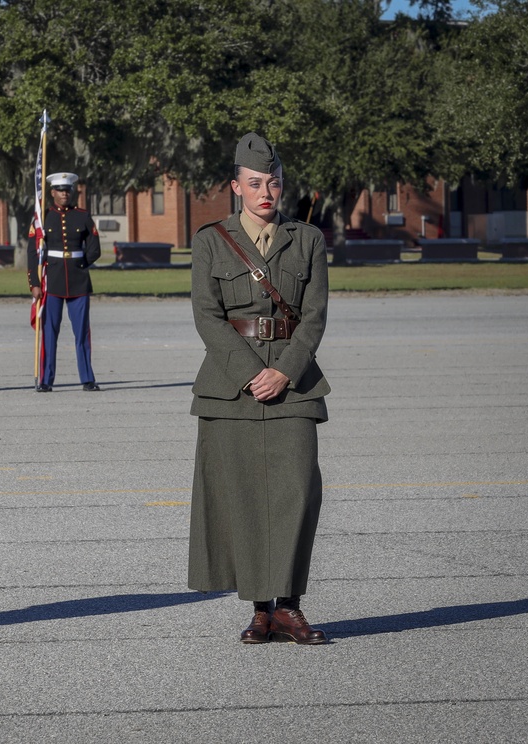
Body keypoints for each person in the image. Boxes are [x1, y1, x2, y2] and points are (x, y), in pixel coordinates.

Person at [188, 132, 330, 645]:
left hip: (294, 385)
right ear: (236, 187)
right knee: (244, 498)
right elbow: (207, 316)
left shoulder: (308, 239)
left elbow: (313, 319)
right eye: (255, 183)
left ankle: (290, 606)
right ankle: (260, 609)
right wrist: (251, 371)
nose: (266, 191)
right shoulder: (210, 241)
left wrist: (284, 372)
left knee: (296, 492)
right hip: (232, 386)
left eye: (273, 181)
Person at [27, 172, 102, 392]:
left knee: (82, 333)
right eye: (60, 190)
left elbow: (94, 247)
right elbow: (33, 253)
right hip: (53, 280)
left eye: (67, 190)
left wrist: (81, 263)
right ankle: (46, 380)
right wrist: (35, 283)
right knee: (49, 333)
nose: (64, 194)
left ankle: (87, 378)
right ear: (52, 193)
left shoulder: (83, 216)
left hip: (78, 280)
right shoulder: (43, 218)